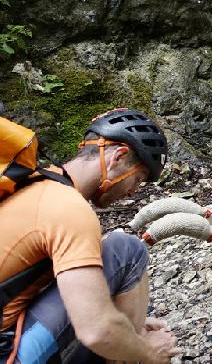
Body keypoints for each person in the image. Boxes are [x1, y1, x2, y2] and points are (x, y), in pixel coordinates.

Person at [0, 108, 180, 364]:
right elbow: (96, 331)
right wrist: (150, 352)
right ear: (119, 156)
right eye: (138, 179)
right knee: (127, 251)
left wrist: (121, 322)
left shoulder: (35, 182)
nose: (133, 192)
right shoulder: (69, 209)